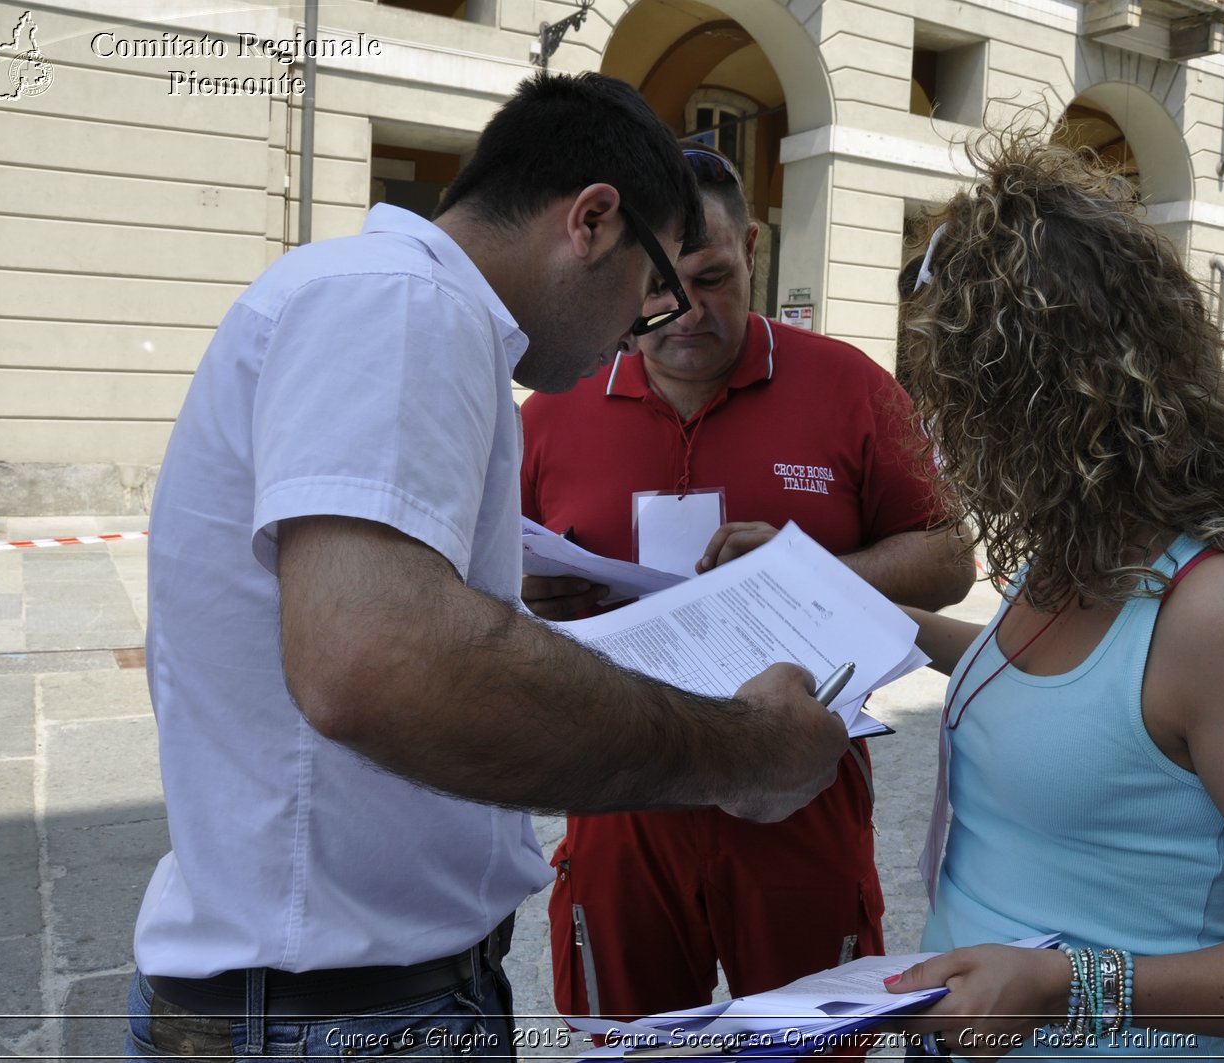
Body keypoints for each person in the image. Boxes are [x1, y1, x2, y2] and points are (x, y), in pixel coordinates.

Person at [125, 74, 851, 1061]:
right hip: (334, 1009)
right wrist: (746, 751)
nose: (627, 346)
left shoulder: (389, 300)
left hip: (333, 995)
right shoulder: (406, 302)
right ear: (594, 220)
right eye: (646, 302)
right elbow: (376, 660)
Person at [879, 129, 1224, 1059]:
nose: (936, 438)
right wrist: (894, 621)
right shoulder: (1071, 548)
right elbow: (1075, 709)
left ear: (1043, 404)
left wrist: (1065, 986)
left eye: (952, 403)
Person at [519, 143, 974, 1022]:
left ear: (754, 249)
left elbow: (951, 555)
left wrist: (808, 575)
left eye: (712, 277)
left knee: (809, 1043)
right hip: (623, 794)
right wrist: (532, 598)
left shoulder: (849, 387)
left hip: (801, 789)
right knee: (632, 1042)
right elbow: (485, 577)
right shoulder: (553, 406)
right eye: (656, 285)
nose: (683, 311)